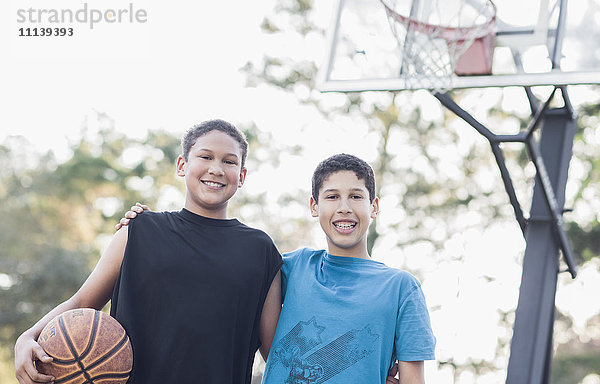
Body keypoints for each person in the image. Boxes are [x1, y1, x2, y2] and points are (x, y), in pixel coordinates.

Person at [119, 153, 436, 383]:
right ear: (314, 207)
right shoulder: (290, 266)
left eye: (356, 196)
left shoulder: (401, 288)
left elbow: (412, 378)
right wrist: (148, 228)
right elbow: (215, 264)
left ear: (374, 207)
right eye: (332, 196)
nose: (344, 207)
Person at [14, 119, 283, 384]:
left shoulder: (261, 250)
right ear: (182, 165)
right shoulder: (138, 230)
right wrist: (28, 337)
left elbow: (276, 354)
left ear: (242, 176)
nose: (216, 168)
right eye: (206, 156)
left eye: (229, 161)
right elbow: (82, 303)